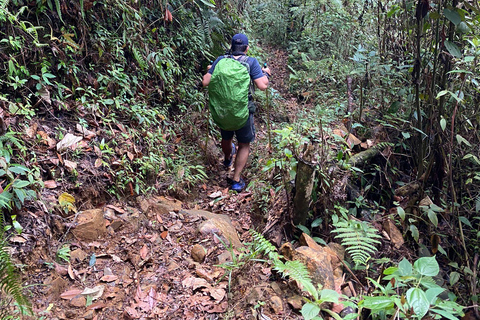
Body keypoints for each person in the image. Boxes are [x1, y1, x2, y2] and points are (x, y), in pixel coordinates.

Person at [202, 33, 271, 192]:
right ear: (247, 48)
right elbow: (262, 86)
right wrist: (266, 73)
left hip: (223, 110)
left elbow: (206, 82)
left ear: (231, 47)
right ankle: (236, 180)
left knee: (226, 138)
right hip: (242, 111)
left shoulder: (220, 60)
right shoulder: (251, 62)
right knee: (244, 144)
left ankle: (227, 159)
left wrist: (211, 69)